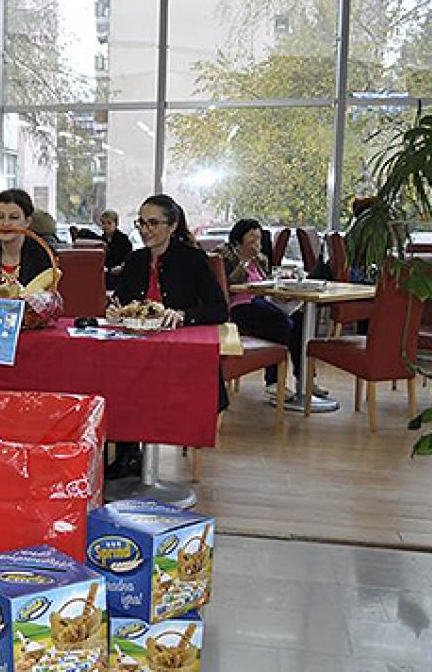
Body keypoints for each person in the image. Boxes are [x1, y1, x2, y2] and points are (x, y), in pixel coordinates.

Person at [107, 194, 228, 479]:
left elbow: (220, 309)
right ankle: (127, 452)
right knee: (113, 373)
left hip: (176, 353)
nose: (145, 230)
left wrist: (185, 315)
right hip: (136, 350)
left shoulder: (193, 259)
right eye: (141, 223)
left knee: (139, 379)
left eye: (153, 223)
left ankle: (134, 456)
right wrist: (114, 310)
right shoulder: (135, 260)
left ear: (172, 226)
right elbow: (121, 302)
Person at [219, 219, 316, 400]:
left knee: (299, 320)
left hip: (261, 300)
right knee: (280, 323)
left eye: (258, 239)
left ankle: (304, 378)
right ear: (239, 239)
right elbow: (230, 282)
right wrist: (245, 262)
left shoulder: (261, 258)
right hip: (239, 306)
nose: (256, 243)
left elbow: (266, 282)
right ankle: (273, 382)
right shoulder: (226, 255)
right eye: (252, 239)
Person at [0, 189, 51, 288]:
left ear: (27, 221)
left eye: (14, 217)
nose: (5, 223)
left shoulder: (43, 256)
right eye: (0, 217)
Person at [99, 209, 133, 289]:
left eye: (109, 223)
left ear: (116, 224)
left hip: (119, 275)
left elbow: (128, 258)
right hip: (105, 274)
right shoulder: (100, 240)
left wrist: (121, 267)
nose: (106, 226)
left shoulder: (124, 240)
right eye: (103, 223)